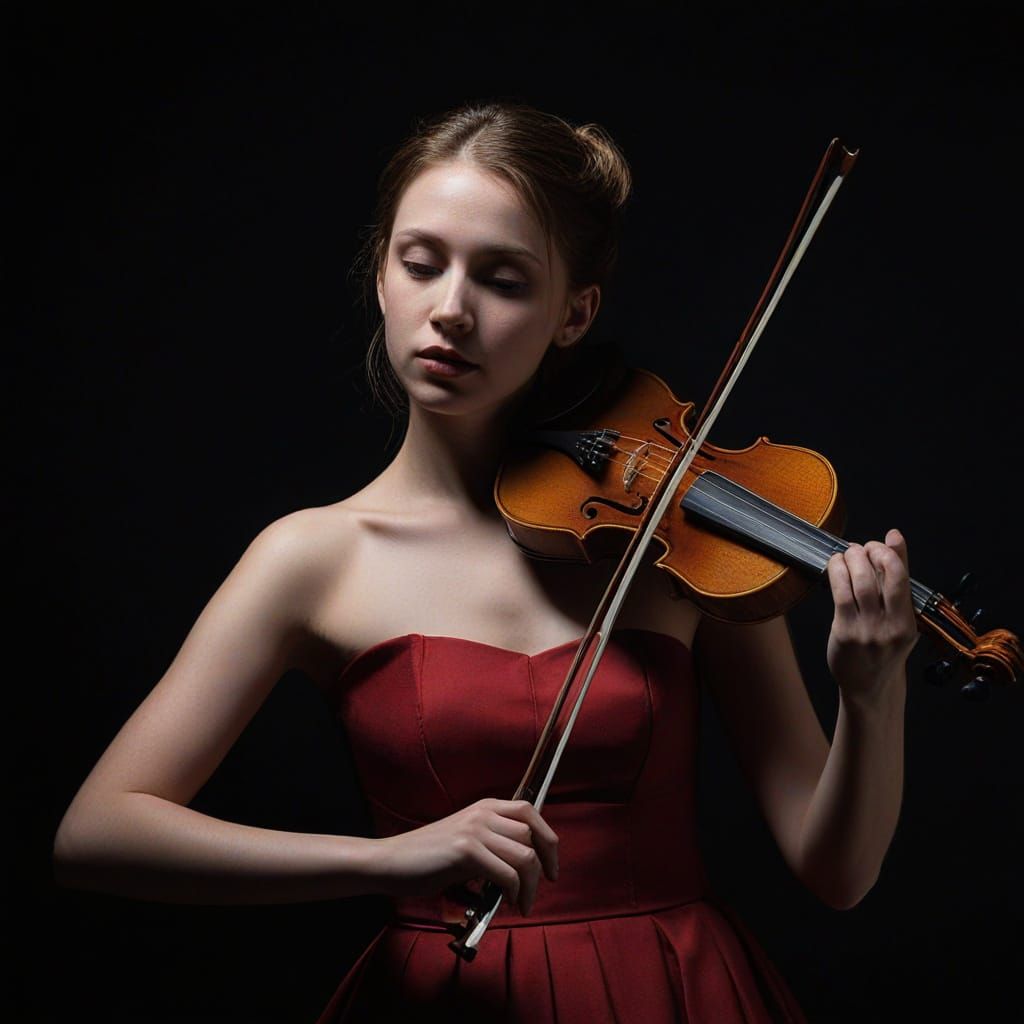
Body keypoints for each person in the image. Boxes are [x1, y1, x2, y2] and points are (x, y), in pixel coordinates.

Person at [53, 100, 919, 1023]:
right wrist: (386, 860)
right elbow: (98, 833)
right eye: (420, 264)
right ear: (381, 277)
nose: (451, 311)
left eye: (504, 281)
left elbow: (838, 874)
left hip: (670, 990)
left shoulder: (678, 538)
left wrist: (873, 695)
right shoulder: (310, 556)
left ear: (573, 313)